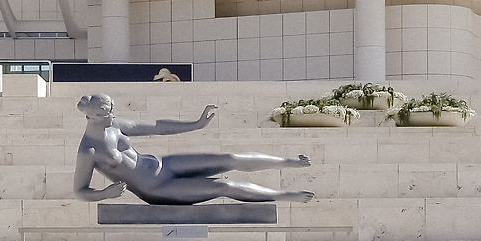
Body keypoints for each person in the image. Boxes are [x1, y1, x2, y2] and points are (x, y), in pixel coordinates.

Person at [72, 93, 315, 205]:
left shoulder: (115, 125)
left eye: (112, 109)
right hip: (155, 188)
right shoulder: (89, 150)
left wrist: (196, 125)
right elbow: (80, 191)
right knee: (224, 186)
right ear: (91, 116)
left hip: (163, 165)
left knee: (229, 158)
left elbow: (158, 127)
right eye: (106, 113)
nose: (112, 115)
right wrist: (104, 194)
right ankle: (285, 196)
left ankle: (287, 162)